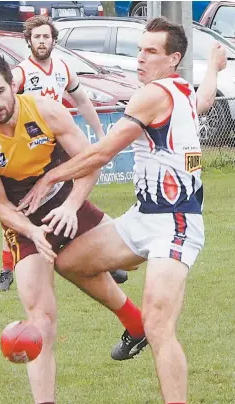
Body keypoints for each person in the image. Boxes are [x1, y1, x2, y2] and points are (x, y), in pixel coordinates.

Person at [17, 17, 227, 404]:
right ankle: (133, 322)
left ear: (173, 59)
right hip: (143, 217)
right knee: (71, 262)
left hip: (176, 221)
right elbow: (206, 100)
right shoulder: (183, 91)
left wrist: (50, 179)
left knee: (160, 323)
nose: (140, 59)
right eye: (139, 50)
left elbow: (102, 152)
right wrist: (213, 67)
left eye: (151, 52)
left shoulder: (153, 94)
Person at [0, 51, 148, 404]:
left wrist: (70, 205)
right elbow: (1, 205)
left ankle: (135, 317)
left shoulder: (46, 110)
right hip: (24, 224)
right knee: (41, 321)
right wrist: (32, 232)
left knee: (130, 259)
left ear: (13, 84)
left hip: (67, 200)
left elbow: (89, 162)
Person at [0, 15, 128, 290]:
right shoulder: (20, 73)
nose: (41, 42)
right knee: (17, 207)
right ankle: (8, 267)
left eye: (46, 37)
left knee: (77, 196)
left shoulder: (63, 69)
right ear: (28, 41)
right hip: (28, 149)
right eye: (37, 37)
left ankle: (105, 257)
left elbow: (81, 100)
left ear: (53, 40)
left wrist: (101, 135)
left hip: (58, 143)